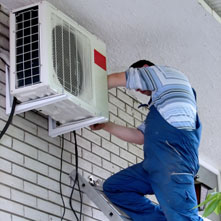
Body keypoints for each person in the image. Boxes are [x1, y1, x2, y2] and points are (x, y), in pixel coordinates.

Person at [90, 60, 202, 221]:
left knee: (184, 219)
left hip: (174, 165)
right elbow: (139, 136)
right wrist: (106, 125)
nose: (137, 89)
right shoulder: (163, 107)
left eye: (138, 85)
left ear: (145, 69)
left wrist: (86, 92)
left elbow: (115, 79)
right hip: (154, 166)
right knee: (115, 188)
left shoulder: (163, 74)